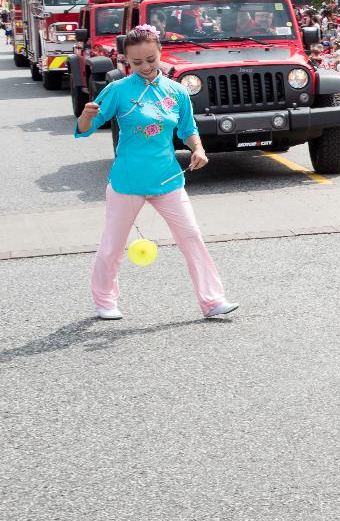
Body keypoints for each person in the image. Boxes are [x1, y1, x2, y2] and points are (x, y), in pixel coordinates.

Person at [73, 25, 237, 320]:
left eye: (151, 59)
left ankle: (212, 301)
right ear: (126, 62)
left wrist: (198, 149)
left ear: (161, 53)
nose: (146, 67)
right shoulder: (118, 90)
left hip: (168, 179)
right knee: (113, 245)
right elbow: (84, 131)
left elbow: (188, 129)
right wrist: (85, 117)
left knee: (192, 237)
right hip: (127, 181)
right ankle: (105, 301)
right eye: (137, 63)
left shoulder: (177, 91)